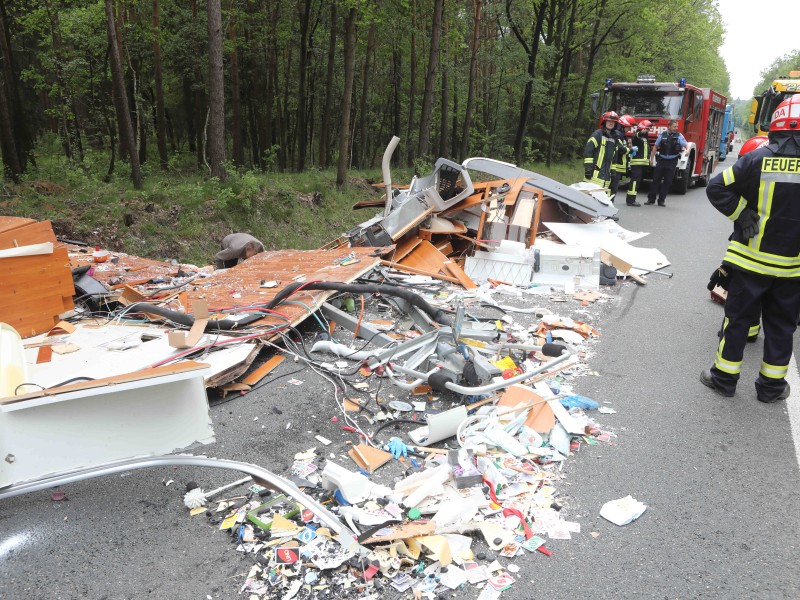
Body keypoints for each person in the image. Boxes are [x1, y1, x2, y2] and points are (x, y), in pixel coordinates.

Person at [700, 95, 800, 403]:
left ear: (777, 124)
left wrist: (742, 214)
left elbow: (716, 186)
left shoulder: (757, 158)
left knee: (739, 321)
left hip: (750, 261)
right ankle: (771, 389)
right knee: (782, 327)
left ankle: (723, 379)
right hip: (792, 268)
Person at [646, 119, 687, 206]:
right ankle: (651, 199)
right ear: (669, 126)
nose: (676, 128)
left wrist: (688, 150)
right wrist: (651, 159)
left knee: (667, 181)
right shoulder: (662, 135)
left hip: (672, 161)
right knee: (656, 180)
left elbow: (686, 145)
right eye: (674, 126)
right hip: (661, 160)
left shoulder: (679, 136)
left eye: (677, 126)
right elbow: (655, 147)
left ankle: (661, 200)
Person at [584, 111, 619, 192]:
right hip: (593, 176)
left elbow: (614, 159)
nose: (611, 123)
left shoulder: (615, 139)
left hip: (606, 179)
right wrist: (588, 169)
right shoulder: (597, 135)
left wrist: (613, 173)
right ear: (604, 122)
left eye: (613, 122)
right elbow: (588, 152)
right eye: (609, 121)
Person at [625, 118, 652, 207]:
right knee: (634, 182)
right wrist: (641, 132)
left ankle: (631, 199)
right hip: (636, 163)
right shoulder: (637, 135)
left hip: (641, 164)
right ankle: (631, 200)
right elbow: (637, 136)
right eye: (647, 129)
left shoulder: (645, 138)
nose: (648, 131)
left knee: (637, 182)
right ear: (643, 128)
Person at [609, 115, 632, 201]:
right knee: (612, 190)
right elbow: (619, 148)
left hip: (618, 167)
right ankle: (608, 211)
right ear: (624, 126)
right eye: (628, 128)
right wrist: (629, 150)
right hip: (616, 167)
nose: (629, 130)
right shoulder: (618, 135)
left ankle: (609, 211)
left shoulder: (620, 134)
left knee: (613, 190)